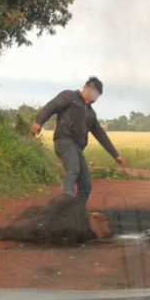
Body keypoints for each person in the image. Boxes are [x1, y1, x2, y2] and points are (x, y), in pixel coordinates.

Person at [30, 77, 126, 207]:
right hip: (63, 140)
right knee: (73, 168)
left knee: (86, 183)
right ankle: (67, 199)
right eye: (92, 92)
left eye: (97, 95)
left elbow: (101, 135)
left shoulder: (91, 114)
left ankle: (76, 212)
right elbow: (52, 106)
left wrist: (116, 155)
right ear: (85, 87)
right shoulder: (69, 97)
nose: (94, 97)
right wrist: (39, 122)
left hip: (77, 148)